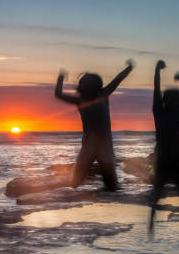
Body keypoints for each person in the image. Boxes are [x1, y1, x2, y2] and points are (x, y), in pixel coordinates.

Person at [54, 59, 134, 191]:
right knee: (75, 183)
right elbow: (58, 94)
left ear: (97, 85)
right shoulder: (80, 100)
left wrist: (129, 68)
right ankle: (63, 198)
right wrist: (60, 77)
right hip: (88, 145)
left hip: (105, 145)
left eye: (91, 81)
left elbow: (118, 79)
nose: (89, 84)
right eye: (86, 81)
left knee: (112, 187)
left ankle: (112, 202)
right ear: (82, 85)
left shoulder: (103, 94)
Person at [149, 60, 179, 230]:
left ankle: (152, 227)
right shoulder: (165, 112)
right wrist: (177, 78)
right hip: (170, 158)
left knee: (170, 195)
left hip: (169, 158)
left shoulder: (164, 112)